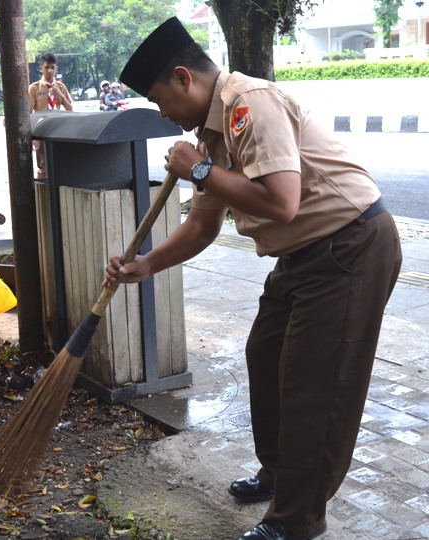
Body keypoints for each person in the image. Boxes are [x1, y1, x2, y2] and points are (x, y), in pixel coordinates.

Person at [104, 17, 401, 540]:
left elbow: (282, 203)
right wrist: (144, 265)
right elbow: (201, 225)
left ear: (183, 77)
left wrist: (198, 170)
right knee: (266, 355)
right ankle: (280, 474)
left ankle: (295, 520)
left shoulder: (249, 103)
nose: (164, 115)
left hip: (349, 247)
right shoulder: (212, 134)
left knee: (317, 384)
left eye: (159, 100)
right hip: (303, 257)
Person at [28, 53, 73, 178]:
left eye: (52, 67)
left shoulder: (61, 87)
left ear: (56, 68)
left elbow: (70, 109)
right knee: (42, 164)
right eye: (47, 67)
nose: (50, 70)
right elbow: (29, 112)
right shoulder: (34, 88)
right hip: (41, 129)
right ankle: (44, 190)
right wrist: (30, 135)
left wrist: (61, 96)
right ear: (41, 68)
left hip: (58, 128)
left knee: (59, 161)